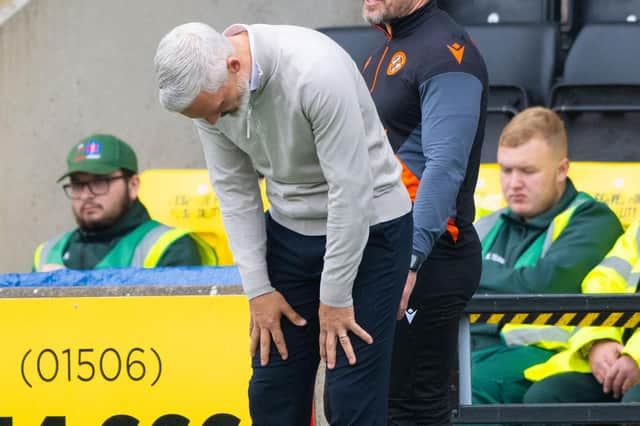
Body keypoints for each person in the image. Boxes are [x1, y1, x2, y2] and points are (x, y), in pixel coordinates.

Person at [154, 22, 412, 425]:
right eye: (206, 116)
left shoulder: (316, 72)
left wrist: (335, 295)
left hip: (372, 227)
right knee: (271, 390)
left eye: (219, 109)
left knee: (350, 394)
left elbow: (350, 190)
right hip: (291, 230)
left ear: (234, 65)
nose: (215, 119)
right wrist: (258, 290)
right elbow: (235, 192)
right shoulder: (209, 94)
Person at [361, 0, 488, 423]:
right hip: (384, 254)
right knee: (365, 405)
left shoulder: (446, 51)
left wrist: (409, 259)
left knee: (410, 411)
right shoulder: (383, 50)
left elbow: (444, 167)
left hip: (429, 257)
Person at [470, 107, 624, 409]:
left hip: (543, 354)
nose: (513, 183)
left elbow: (541, 286)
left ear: (562, 169)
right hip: (472, 344)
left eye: (527, 171)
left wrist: (466, 273)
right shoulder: (491, 221)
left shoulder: (592, 220)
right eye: (505, 170)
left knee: (470, 384)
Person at [34, 134, 217, 271]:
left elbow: (170, 320)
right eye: (78, 184)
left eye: (100, 182)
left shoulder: (170, 247)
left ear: (133, 185)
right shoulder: (47, 253)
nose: (86, 195)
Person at [523, 219, 640, 408]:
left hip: (633, 361)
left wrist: (635, 357)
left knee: (633, 403)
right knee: (546, 398)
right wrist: (598, 341)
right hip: (619, 360)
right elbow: (603, 282)